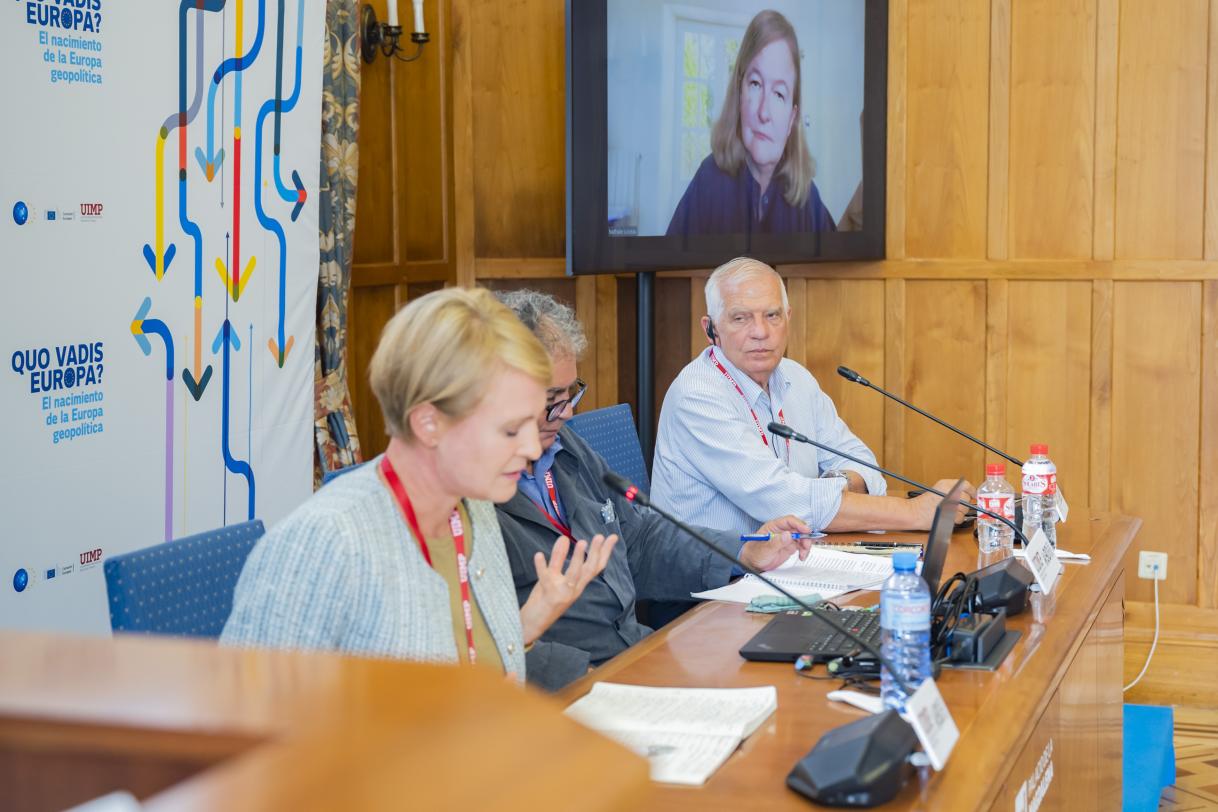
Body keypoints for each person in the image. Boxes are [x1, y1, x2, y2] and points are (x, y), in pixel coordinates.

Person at [222, 288, 617, 682]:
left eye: (534, 422)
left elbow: (465, 678)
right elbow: (242, 724)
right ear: (429, 423)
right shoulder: (324, 543)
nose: (531, 447)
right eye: (511, 429)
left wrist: (526, 625)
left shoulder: (470, 510)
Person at [493, 289, 814, 691]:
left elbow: (640, 539)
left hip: (636, 656)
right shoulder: (469, 490)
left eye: (571, 393)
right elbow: (478, 643)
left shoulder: (564, 444)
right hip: (567, 692)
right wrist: (592, 683)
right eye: (552, 400)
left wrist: (744, 551)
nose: (568, 412)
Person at [652, 257, 974, 534]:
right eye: (741, 318)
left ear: (788, 319)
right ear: (711, 330)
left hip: (787, 563)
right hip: (712, 586)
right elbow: (785, 503)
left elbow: (864, 466)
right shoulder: (697, 396)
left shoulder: (795, 377)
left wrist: (831, 485)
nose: (761, 332)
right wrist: (918, 513)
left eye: (772, 315)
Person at [666, 10, 835, 236]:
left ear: (791, 119)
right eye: (755, 84)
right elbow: (668, 268)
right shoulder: (708, 180)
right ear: (739, 93)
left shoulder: (807, 199)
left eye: (779, 94)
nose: (764, 112)